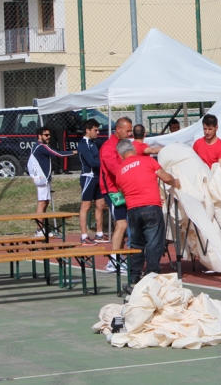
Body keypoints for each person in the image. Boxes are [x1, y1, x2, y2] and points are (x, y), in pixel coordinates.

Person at [115, 139, 180, 285]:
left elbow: (122, 190)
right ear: (133, 148)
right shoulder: (147, 161)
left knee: (136, 244)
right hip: (151, 206)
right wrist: (175, 181)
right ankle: (152, 273)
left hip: (132, 209)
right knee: (154, 242)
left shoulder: (119, 171)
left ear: (120, 155)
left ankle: (134, 274)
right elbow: (165, 177)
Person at [29, 126, 77, 237]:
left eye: (49, 135)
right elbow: (58, 154)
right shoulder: (41, 146)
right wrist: (75, 152)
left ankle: (41, 229)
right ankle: (39, 230)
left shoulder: (40, 146)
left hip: (45, 179)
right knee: (42, 203)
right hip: (42, 179)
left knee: (45, 202)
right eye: (46, 135)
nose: (49, 137)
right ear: (39, 136)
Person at [99, 116, 132, 272]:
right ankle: (113, 260)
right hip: (113, 191)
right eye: (127, 130)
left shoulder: (123, 145)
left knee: (123, 225)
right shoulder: (108, 147)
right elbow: (115, 169)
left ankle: (119, 258)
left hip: (123, 189)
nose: (129, 133)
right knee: (121, 224)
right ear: (118, 129)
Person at [77, 118, 107, 246]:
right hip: (88, 177)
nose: (97, 132)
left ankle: (99, 234)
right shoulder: (83, 144)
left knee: (100, 206)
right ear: (87, 130)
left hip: (97, 177)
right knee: (86, 206)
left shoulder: (94, 143)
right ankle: (84, 236)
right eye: (95, 130)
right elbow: (92, 162)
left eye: (98, 129)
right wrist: (107, 164)